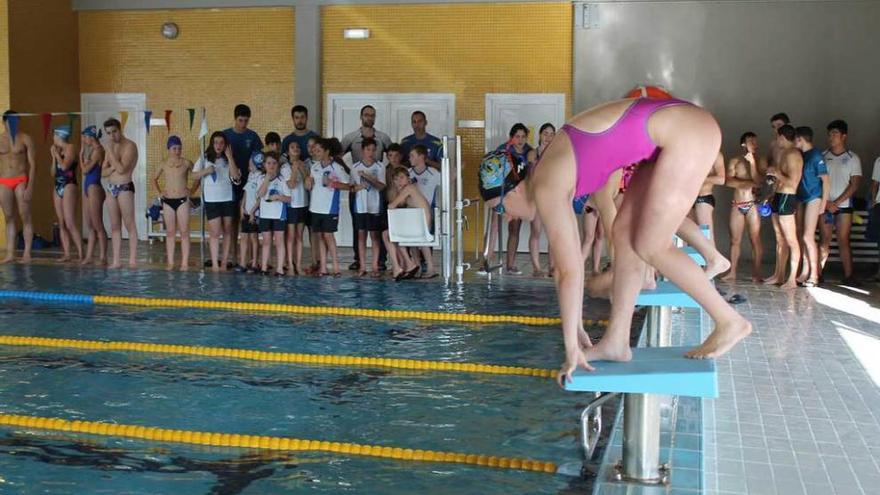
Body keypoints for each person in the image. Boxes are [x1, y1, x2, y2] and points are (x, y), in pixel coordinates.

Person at [487, 97, 751, 381]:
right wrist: (574, 323)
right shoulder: (553, 169)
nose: (509, 218)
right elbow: (569, 266)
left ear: (511, 191)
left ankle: (729, 320)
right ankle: (617, 341)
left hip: (687, 131)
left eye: (501, 210)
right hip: (669, 137)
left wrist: (571, 347)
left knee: (651, 244)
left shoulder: (546, 183)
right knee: (625, 234)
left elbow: (568, 270)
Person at [341, 105, 392, 271]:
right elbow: (336, 154)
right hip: (357, 185)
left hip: (376, 189)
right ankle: (359, 261)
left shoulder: (383, 138)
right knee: (359, 227)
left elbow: (393, 156)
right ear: (361, 116)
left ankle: (380, 261)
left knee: (377, 229)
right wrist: (349, 171)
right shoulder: (351, 137)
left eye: (372, 115)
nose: (369, 117)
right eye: (366, 115)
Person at [820, 120, 861, 285]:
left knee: (844, 240)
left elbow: (855, 184)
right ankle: (817, 274)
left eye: (835, 133)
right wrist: (828, 203)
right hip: (825, 205)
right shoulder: (823, 156)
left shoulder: (852, 158)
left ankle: (849, 275)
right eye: (830, 134)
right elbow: (818, 182)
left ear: (844, 136)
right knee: (825, 240)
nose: (831, 137)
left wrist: (836, 202)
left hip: (844, 207)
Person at [763, 125, 803, 289]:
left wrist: (776, 173)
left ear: (782, 137)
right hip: (779, 195)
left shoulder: (793, 154)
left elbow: (793, 183)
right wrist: (772, 192)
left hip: (788, 197)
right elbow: (781, 178)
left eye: (777, 137)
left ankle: (792, 278)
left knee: (791, 240)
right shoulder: (785, 153)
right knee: (780, 238)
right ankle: (778, 274)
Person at [722, 132, 764, 282]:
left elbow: (760, 181)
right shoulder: (735, 160)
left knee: (755, 239)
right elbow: (728, 181)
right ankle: (732, 271)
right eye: (750, 140)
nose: (753, 142)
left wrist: (752, 163)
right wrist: (747, 183)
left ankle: (756, 273)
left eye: (755, 140)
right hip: (737, 204)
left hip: (753, 204)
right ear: (743, 144)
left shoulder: (761, 160)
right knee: (735, 240)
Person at [193, 131, 237, 272]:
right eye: (216, 142)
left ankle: (224, 262)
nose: (219, 145)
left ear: (226, 145)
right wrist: (206, 171)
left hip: (227, 198)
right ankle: (215, 264)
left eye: (222, 143)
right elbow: (193, 174)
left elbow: (235, 176)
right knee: (215, 232)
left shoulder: (228, 159)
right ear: (212, 144)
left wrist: (230, 158)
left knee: (227, 230)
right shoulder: (204, 158)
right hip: (212, 200)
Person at [306, 138, 350, 276]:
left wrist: (332, 183)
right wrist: (308, 182)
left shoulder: (337, 167)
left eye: (319, 150)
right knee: (319, 236)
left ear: (327, 151)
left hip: (329, 208)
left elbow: (348, 185)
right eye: (315, 150)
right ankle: (323, 267)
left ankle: (336, 267)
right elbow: (310, 186)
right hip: (315, 207)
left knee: (328, 236)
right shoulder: (314, 167)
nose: (316, 153)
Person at [153, 135, 195, 271]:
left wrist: (192, 191)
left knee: (184, 231)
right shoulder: (163, 163)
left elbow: (197, 177)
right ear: (169, 149)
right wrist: (159, 193)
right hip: (168, 201)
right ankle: (170, 262)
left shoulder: (187, 163)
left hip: (182, 200)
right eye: (174, 148)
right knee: (170, 232)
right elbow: (153, 179)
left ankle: (184, 262)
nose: (177, 151)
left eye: (179, 148)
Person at [102, 118, 139, 269]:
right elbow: (103, 172)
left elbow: (122, 169)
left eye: (114, 132)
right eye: (109, 133)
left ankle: (132, 260)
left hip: (124, 187)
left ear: (120, 129)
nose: (112, 136)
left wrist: (110, 152)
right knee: (115, 226)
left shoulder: (130, 146)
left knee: (129, 224)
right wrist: (112, 168)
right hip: (111, 187)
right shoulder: (110, 147)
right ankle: (116, 261)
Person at [794, 126, 828, 287]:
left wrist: (823, 203)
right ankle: (804, 271)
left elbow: (826, 181)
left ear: (800, 139)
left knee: (808, 236)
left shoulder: (815, 155)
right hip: (802, 197)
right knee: (802, 235)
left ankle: (814, 274)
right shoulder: (802, 155)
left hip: (814, 197)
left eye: (795, 139)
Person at [0, 111, 36, 264]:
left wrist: (30, 187)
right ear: (4, 122)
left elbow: (33, 164)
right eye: (10, 121)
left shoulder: (25, 138)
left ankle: (27, 253)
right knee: (8, 217)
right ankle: (10, 253)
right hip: (3, 181)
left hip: (21, 179)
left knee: (25, 215)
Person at [389, 167, 435, 278]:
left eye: (401, 177)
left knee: (390, 235)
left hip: (423, 225)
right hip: (418, 225)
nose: (399, 181)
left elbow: (391, 206)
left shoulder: (409, 188)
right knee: (411, 241)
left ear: (408, 179)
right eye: (396, 179)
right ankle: (416, 266)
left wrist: (397, 191)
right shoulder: (408, 189)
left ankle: (427, 268)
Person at [351, 138, 387, 277]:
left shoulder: (380, 166)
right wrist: (360, 186)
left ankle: (375, 266)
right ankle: (362, 266)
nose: (371, 153)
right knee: (361, 235)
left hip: (374, 205)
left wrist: (368, 177)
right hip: (360, 206)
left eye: (373, 150)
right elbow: (351, 188)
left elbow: (382, 186)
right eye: (368, 150)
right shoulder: (355, 167)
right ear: (362, 151)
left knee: (374, 236)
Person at [526, 123, 556, 276]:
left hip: (552, 197)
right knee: (536, 231)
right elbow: (532, 177)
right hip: (537, 196)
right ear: (539, 135)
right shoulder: (533, 153)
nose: (548, 137)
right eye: (545, 133)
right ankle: (536, 268)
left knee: (552, 233)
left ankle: (552, 267)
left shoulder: (557, 153)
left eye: (551, 134)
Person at [254, 151, 291, 276]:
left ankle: (280, 268)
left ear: (278, 165)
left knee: (279, 241)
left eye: (274, 163)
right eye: (269, 163)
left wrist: (279, 197)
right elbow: (260, 194)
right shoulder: (260, 178)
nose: (271, 166)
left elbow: (289, 198)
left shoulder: (282, 180)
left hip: (278, 215)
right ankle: (264, 267)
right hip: (265, 215)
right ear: (264, 165)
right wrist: (267, 180)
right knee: (266, 241)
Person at [49, 125, 83, 263]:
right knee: (61, 223)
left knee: (70, 222)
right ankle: (67, 254)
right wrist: (53, 157)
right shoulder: (58, 150)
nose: (53, 139)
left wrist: (56, 155)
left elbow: (64, 167)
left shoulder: (71, 147)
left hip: (69, 184)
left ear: (59, 136)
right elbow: (53, 173)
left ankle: (81, 254)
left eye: (54, 136)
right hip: (57, 185)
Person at [79, 125, 107, 265]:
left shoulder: (98, 151)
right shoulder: (92, 151)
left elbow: (84, 170)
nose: (83, 140)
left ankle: (103, 257)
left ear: (90, 137)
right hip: (88, 187)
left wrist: (80, 157)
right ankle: (89, 256)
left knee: (98, 225)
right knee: (90, 225)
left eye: (84, 137)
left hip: (95, 188)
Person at [283, 140, 310, 275]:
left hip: (303, 204)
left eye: (298, 146)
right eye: (292, 147)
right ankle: (290, 264)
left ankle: (298, 264)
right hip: (291, 205)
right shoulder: (285, 168)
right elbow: (291, 185)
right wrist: (294, 169)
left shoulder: (304, 165)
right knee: (291, 236)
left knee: (299, 236)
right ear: (287, 152)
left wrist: (303, 170)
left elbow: (308, 185)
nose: (296, 149)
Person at [237, 151, 263, 273]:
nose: (248, 166)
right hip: (246, 212)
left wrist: (253, 212)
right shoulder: (251, 175)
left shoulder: (260, 177)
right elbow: (246, 192)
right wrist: (242, 207)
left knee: (253, 237)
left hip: (255, 213)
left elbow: (259, 198)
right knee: (243, 237)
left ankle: (254, 262)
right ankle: (242, 262)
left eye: (250, 163)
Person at [689, 152, 725, 239]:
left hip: (703, 198)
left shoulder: (715, 154)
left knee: (705, 236)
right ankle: (690, 253)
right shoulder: (688, 150)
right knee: (690, 237)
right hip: (688, 199)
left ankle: (710, 252)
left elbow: (721, 179)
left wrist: (700, 178)